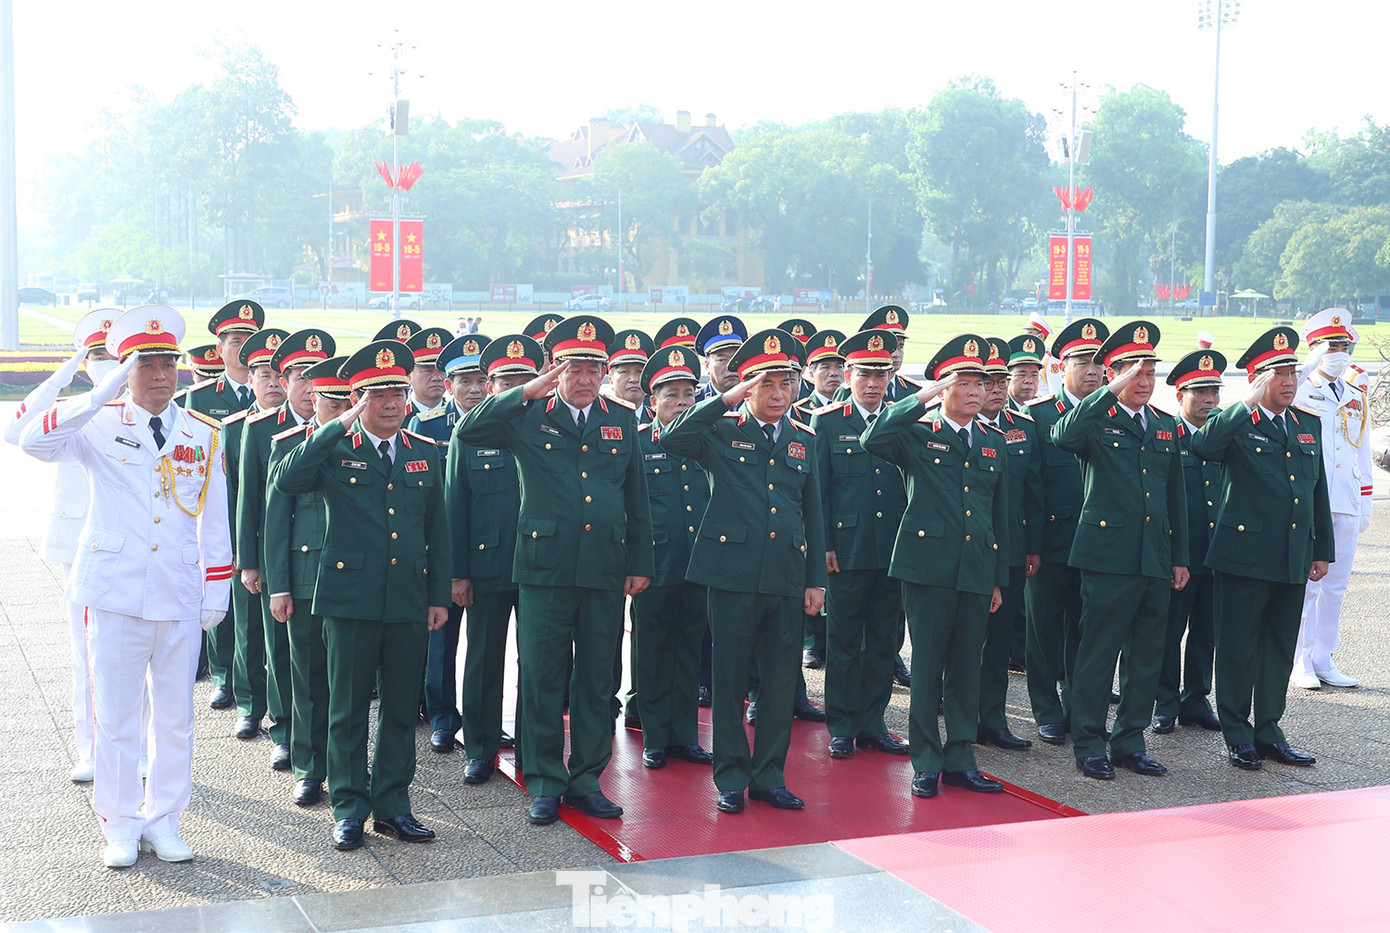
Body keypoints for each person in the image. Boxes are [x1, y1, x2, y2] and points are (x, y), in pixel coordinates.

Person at [22, 306, 232, 868]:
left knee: (175, 718)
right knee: (116, 717)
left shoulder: (202, 433)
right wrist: (94, 396)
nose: (161, 376)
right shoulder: (95, 423)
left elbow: (215, 518)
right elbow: (28, 440)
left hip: (179, 592)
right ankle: (118, 823)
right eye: (146, 366)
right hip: (114, 591)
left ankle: (164, 819)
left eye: (169, 365)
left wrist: (217, 591)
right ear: (123, 370)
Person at [457, 315, 653, 826]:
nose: (586, 379)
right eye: (574, 368)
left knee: (594, 677)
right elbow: (468, 429)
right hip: (544, 565)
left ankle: (586, 778)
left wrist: (640, 560)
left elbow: (637, 495)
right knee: (542, 675)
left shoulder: (622, 417)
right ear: (554, 370)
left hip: (605, 566)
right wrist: (525, 392)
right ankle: (543, 779)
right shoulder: (527, 415)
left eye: (595, 368)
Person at [270, 338, 452, 850]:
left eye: (397, 391)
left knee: (398, 710)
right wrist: (333, 428)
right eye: (378, 395)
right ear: (357, 400)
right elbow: (288, 481)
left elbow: (439, 532)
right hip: (349, 599)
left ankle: (394, 805)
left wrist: (437, 595)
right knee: (347, 708)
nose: (392, 403)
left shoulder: (424, 452)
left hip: (407, 600)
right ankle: (349, 806)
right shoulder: (332, 450)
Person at [661, 328, 826, 814]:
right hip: (731, 574)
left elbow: (811, 513)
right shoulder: (721, 430)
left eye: (787, 384)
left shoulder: (804, 438)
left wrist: (815, 579)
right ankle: (731, 776)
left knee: (778, 682)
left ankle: (769, 775)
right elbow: (674, 436)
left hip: (786, 574)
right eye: (767, 385)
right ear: (747, 387)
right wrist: (723, 398)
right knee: (731, 681)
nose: (779, 395)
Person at [861, 334, 1010, 800]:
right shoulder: (918, 433)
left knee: (967, 667)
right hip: (927, 569)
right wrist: (921, 396)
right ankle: (926, 761)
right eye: (962, 382)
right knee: (926, 668)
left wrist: (997, 579)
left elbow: (998, 515)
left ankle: (961, 758)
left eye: (979, 383)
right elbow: (873, 436)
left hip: (975, 570)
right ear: (943, 388)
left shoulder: (993, 441)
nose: (973, 391)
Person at [1190, 327, 1333, 771]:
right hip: (1243, 557)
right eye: (1278, 374)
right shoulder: (1236, 422)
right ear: (1256, 380)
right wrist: (1244, 404)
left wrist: (1321, 548)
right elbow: (1202, 445)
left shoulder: (1307, 424)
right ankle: (1238, 733)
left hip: (1292, 554)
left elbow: (1317, 492)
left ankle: (1269, 729)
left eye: (1293, 371)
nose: (1290, 381)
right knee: (1237, 647)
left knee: (1277, 647)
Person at [1052, 321, 1188, 780]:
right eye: (1135, 373)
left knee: (1146, 656)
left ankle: (1130, 740)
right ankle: (1089, 742)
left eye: (1150, 374)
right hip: (1108, 558)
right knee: (1097, 653)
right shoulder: (1096, 420)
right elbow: (1064, 436)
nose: (1144, 383)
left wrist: (1179, 556)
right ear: (1114, 375)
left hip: (1153, 556)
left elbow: (1176, 500)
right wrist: (1107, 392)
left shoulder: (1166, 426)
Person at [4, 309, 120, 783]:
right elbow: (15, 432)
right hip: (83, 543)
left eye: (113, 356)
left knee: (143, 657)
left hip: (139, 545)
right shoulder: (75, 408)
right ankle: (91, 748)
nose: (104, 363)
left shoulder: (149, 405)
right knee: (89, 653)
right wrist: (62, 376)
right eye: (95, 355)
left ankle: (136, 749)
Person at [236, 329, 335, 772]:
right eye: (299, 377)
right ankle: (283, 731)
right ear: (287, 380)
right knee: (280, 649)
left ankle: (319, 739)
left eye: (316, 377)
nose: (308, 386)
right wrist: (251, 562)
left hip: (322, 560)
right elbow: (249, 500)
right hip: (276, 555)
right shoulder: (261, 430)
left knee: (316, 660)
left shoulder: (339, 423)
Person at [810, 330, 909, 760]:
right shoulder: (829, 421)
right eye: (864, 374)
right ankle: (843, 725)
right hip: (845, 552)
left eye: (880, 375)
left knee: (885, 642)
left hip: (893, 550)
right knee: (845, 641)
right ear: (848, 374)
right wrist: (825, 546)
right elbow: (818, 492)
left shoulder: (903, 420)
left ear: (891, 375)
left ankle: (874, 723)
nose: (872, 384)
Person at [262, 354, 353, 806]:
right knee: (309, 679)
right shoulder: (290, 444)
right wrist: (278, 585)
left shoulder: (366, 443)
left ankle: (349, 766)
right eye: (331, 405)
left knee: (351, 683)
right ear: (315, 400)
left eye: (346, 404)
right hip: (306, 579)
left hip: (357, 580)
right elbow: (277, 521)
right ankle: (309, 767)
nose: (340, 414)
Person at [446, 335, 537, 784]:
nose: (515, 388)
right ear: (491, 384)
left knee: (538, 660)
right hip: (487, 567)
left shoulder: (551, 428)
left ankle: (532, 747)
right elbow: (455, 508)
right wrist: (458, 573)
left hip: (542, 566)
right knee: (483, 659)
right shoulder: (471, 432)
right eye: (505, 381)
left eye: (525, 379)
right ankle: (480, 747)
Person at [1023, 318, 1109, 745]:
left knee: (1086, 628)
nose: (1092, 370)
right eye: (1083, 361)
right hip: (1050, 544)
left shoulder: (1111, 413)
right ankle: (1045, 707)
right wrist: (1031, 545)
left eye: (1098, 362)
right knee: (1043, 628)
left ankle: (1080, 706)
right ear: (1061, 365)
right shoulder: (1037, 415)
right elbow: (1029, 485)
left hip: (1096, 543)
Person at [630, 345, 714, 770]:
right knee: (652, 652)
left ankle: (685, 735)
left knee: (689, 649)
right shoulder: (638, 442)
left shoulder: (707, 443)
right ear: (653, 402)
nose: (682, 402)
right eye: (672, 394)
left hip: (698, 564)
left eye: (688, 393)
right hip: (654, 567)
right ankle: (655, 736)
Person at [182, 299, 264, 712]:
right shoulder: (197, 399)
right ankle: (223, 675)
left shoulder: (271, 392)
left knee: (252, 605)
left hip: (258, 514)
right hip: (217, 511)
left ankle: (252, 679)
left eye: (250, 339)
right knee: (218, 592)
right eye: (234, 340)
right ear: (220, 348)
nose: (242, 347)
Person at [1290, 309, 1372, 689]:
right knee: (1308, 583)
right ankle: (1299, 660)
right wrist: (1302, 369)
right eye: (1330, 345)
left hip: (1347, 500)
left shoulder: (1356, 395)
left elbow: (1361, 451)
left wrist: (1365, 504)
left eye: (1343, 345)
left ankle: (1324, 656)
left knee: (1336, 586)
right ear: (1315, 350)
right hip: (1312, 500)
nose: (1339, 352)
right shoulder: (1300, 391)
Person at [420, 334, 489, 754]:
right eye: (465, 381)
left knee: (487, 644)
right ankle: (443, 718)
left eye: (481, 380)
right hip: (441, 549)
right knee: (442, 639)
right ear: (448, 386)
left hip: (490, 548)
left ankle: (483, 719)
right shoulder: (426, 427)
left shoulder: (502, 421)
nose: (475, 389)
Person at [974, 337, 1043, 751]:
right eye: (989, 381)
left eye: (1002, 381)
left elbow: (1034, 492)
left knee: (998, 643)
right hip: (968, 550)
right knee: (964, 641)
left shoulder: (1024, 428)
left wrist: (1032, 546)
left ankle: (992, 720)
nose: (997, 389)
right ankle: (960, 715)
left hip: (1012, 551)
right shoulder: (946, 428)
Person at [1152, 349, 1226, 735]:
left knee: (1206, 631)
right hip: (1178, 554)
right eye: (1200, 391)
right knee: (1169, 630)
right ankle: (1165, 701)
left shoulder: (1224, 436)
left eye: (1214, 390)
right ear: (1180, 396)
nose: (1210, 399)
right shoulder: (1167, 435)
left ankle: (1196, 698)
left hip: (1216, 554)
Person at [223, 328, 289, 742]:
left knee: (283, 642)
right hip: (249, 542)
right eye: (260, 374)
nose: (269, 382)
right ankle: (249, 704)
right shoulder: (235, 429)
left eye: (274, 374)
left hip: (289, 547)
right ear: (250, 380)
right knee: (248, 629)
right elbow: (233, 499)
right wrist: (240, 553)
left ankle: (286, 713)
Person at [694, 315, 747, 401]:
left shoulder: (757, 401)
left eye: (736, 358)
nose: (730, 366)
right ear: (707, 365)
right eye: (722, 360)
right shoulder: (694, 402)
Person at [1024, 312, 1064, 397]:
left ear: (1041, 336)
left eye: (1030, 333)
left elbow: (1055, 391)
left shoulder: (1049, 360)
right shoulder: (1029, 356)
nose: (1027, 337)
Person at [1005, 334, 1047, 413]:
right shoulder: (998, 410)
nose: (1029, 381)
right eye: (1022, 375)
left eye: (1034, 375)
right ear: (1007, 378)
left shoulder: (1044, 409)